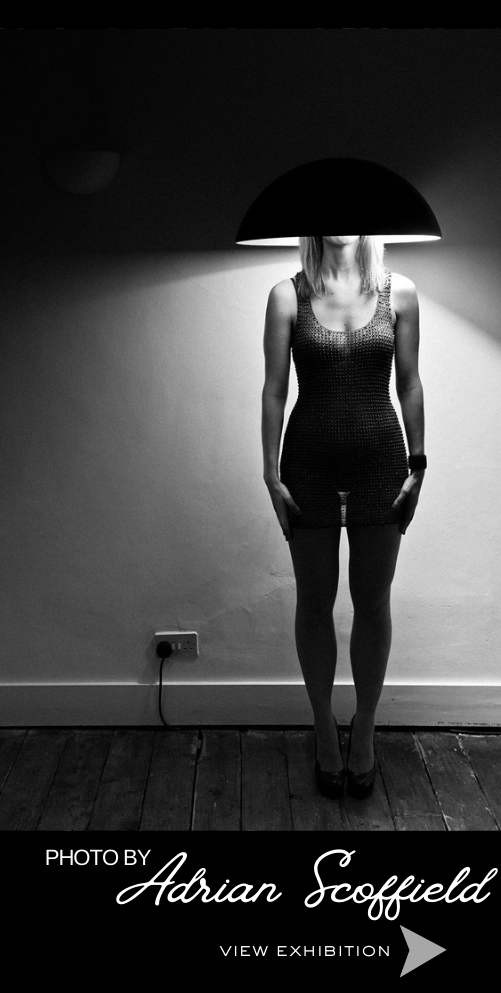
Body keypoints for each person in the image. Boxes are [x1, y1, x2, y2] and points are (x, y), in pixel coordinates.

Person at [261, 235, 426, 799]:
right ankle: (324, 729)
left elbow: (408, 382)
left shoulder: (397, 291)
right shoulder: (288, 295)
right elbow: (275, 389)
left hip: (381, 458)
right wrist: (269, 470)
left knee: (372, 601)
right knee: (315, 599)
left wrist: (418, 464)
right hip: (307, 459)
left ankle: (365, 731)